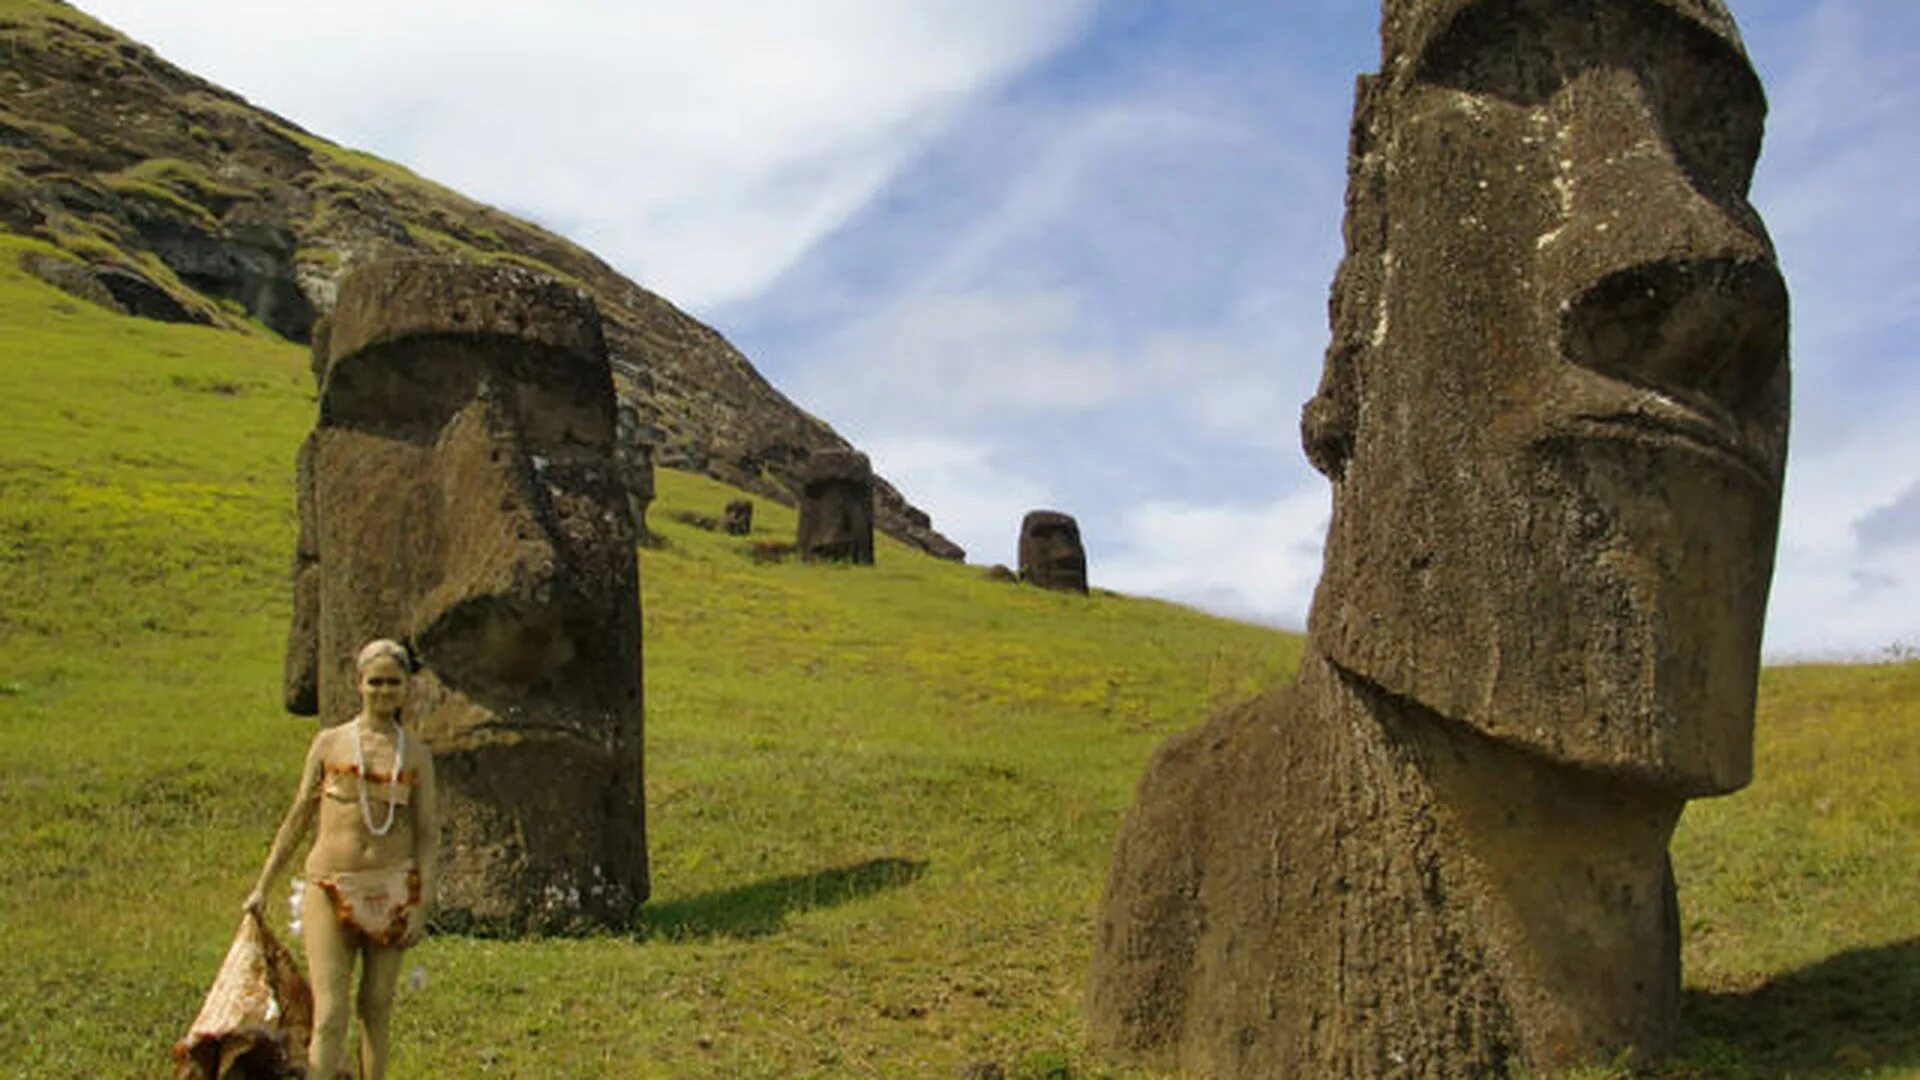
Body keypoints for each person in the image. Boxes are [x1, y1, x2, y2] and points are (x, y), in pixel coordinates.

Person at [246, 638, 440, 1080]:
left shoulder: (416, 756)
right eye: (376, 682)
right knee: (330, 1012)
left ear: (406, 687)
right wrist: (262, 886)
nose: (384, 691)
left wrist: (423, 901)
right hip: (329, 884)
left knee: (375, 1007)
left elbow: (428, 834)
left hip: (393, 889)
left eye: (393, 683)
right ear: (359, 685)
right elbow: (297, 817)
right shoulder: (329, 744)